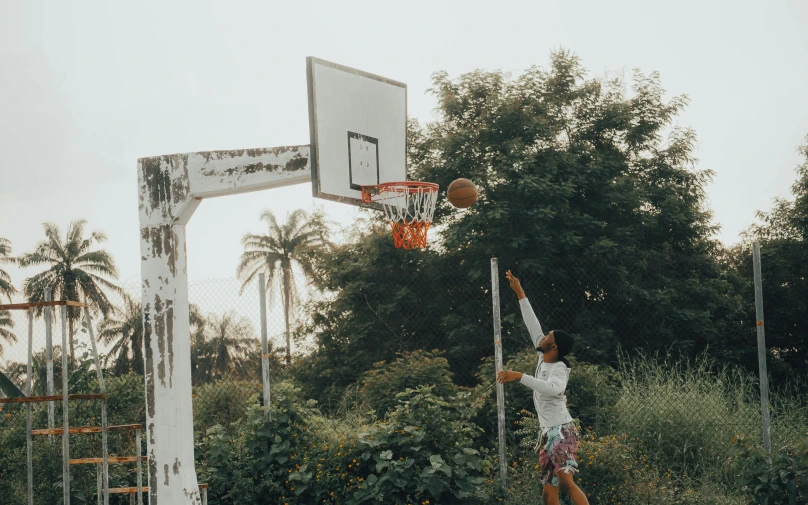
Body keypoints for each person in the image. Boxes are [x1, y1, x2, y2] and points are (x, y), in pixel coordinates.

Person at [496, 270, 590, 505]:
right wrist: (519, 292)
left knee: (566, 482)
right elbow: (532, 322)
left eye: (547, 335)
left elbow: (552, 388)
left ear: (554, 345)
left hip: (562, 431)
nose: (543, 336)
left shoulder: (559, 368)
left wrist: (520, 376)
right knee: (549, 490)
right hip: (547, 432)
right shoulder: (543, 357)